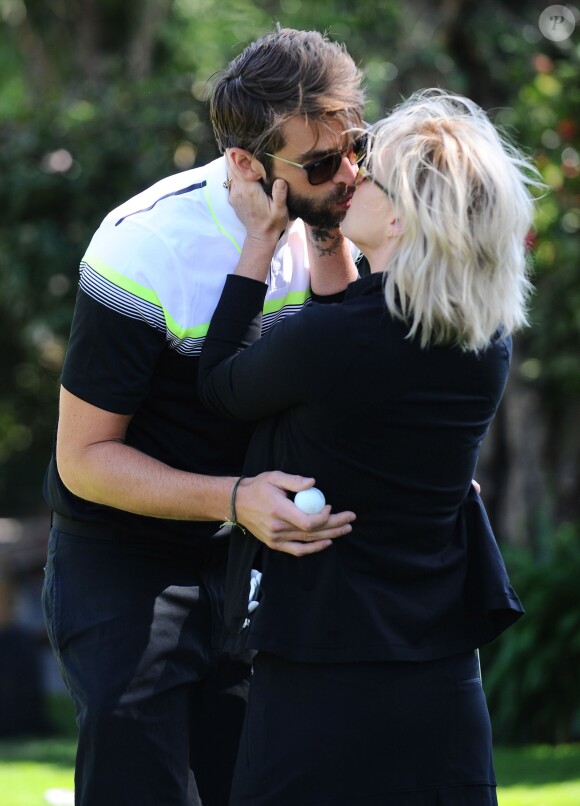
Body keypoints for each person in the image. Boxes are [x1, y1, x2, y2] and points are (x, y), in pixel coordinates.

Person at [41, 27, 364, 806]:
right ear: (248, 165)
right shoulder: (144, 245)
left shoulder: (348, 213)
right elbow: (84, 458)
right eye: (322, 164)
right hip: (125, 556)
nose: (351, 173)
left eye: (359, 144)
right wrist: (231, 497)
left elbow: (354, 362)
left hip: (254, 555)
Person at [197, 89, 540, 805]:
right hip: (442, 669)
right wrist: (331, 238)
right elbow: (354, 352)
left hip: (322, 665)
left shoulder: (337, 342)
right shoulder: (486, 343)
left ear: (401, 214)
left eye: (368, 171)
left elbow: (220, 387)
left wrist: (261, 241)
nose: (349, 176)